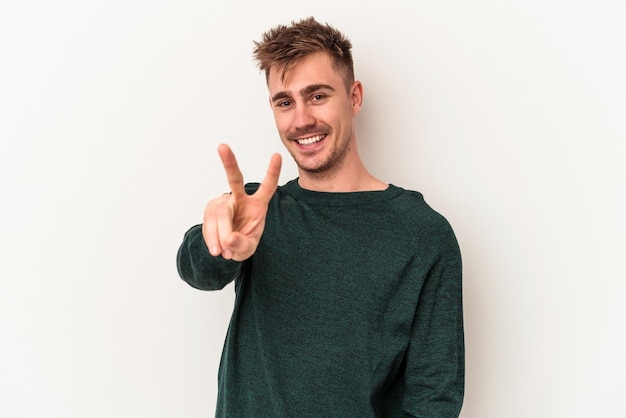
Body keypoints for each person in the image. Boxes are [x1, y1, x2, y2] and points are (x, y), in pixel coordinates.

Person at [177, 17, 464, 417]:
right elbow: (198, 271)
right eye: (284, 102)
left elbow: (434, 399)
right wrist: (219, 242)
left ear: (355, 96)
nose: (301, 120)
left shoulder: (423, 234)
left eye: (317, 96)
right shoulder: (257, 210)